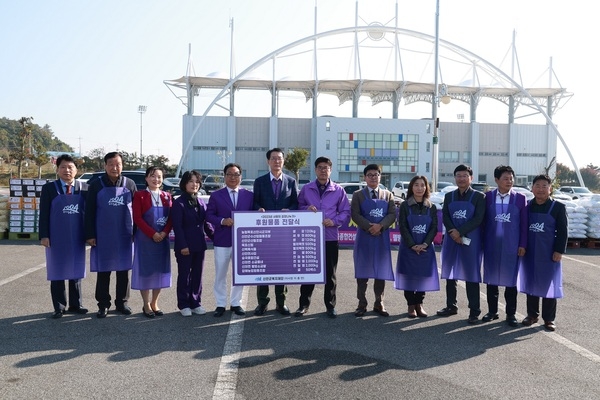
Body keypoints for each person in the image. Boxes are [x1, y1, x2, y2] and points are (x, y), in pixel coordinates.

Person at [295, 157, 351, 318]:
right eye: (319, 167)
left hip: (330, 237)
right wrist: (306, 208)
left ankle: (330, 306)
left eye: (326, 167)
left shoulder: (338, 190)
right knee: (308, 272)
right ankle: (303, 305)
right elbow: (298, 207)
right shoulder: (306, 189)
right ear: (315, 170)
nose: (322, 170)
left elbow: (346, 212)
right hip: (309, 237)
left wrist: (333, 221)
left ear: (330, 170)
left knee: (330, 274)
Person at [85, 152, 136, 318]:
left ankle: (122, 302)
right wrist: (90, 234)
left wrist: (136, 233)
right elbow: (89, 211)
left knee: (123, 270)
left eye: (118, 164)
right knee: (104, 270)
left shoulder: (130, 184)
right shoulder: (96, 185)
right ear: (105, 166)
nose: (115, 168)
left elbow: (137, 211)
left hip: (125, 234)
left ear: (122, 165)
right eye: (111, 164)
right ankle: (103, 304)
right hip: (103, 235)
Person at [39, 154, 88, 318]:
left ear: (76, 170)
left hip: (77, 235)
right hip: (56, 236)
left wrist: (90, 234)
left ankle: (76, 304)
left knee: (76, 269)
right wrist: (44, 235)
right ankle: (59, 306)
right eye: (63, 167)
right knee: (57, 270)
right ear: (57, 169)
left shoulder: (84, 187)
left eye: (70, 167)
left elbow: (89, 214)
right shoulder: (49, 188)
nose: (67, 170)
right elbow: (44, 214)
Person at [252, 147, 298, 316]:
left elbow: (295, 203)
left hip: (283, 234)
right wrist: (259, 209)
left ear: (283, 161)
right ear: (268, 161)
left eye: (279, 158)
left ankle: (281, 302)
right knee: (264, 268)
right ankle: (262, 302)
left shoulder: (291, 181)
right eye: (273, 158)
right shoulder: (260, 181)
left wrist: (289, 210)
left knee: (281, 267)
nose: (277, 161)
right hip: (264, 233)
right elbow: (254, 203)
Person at [518, 174, 568, 331]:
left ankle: (549, 319)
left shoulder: (558, 207)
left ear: (550, 189)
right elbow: (521, 228)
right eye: (537, 186)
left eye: (544, 186)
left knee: (548, 285)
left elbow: (563, 231)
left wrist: (559, 250)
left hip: (549, 253)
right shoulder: (527, 207)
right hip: (530, 252)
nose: (540, 189)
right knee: (531, 281)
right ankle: (532, 315)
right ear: (532, 188)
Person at [437, 164, 485, 324]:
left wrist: (460, 232)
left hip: (471, 241)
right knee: (450, 273)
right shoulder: (449, 196)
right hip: (452, 240)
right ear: (455, 177)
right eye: (458, 175)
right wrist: (453, 232)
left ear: (471, 178)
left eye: (465, 175)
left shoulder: (479, 197)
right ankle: (451, 306)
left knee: (472, 275)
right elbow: (445, 216)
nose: (462, 178)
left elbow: (478, 219)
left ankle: (474, 311)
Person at [482, 165, 527, 327]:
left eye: (511, 178)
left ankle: (510, 314)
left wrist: (522, 244)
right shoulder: (487, 197)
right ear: (496, 180)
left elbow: (523, 224)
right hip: (491, 244)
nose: (509, 181)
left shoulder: (520, 199)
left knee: (511, 281)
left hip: (511, 245)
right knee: (491, 280)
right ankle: (492, 311)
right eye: (505, 178)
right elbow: (483, 222)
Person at [206, 163, 253, 317]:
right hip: (222, 240)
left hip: (243, 242)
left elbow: (254, 215)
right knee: (220, 273)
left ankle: (235, 303)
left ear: (241, 176)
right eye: (230, 174)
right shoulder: (216, 195)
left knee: (240, 274)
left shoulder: (249, 195)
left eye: (236, 174)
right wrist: (222, 221)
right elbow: (209, 216)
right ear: (224, 176)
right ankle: (220, 303)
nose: (233, 177)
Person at [351, 164, 396, 317]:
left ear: (380, 176)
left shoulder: (387, 194)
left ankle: (379, 303)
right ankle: (361, 303)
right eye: (369, 175)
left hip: (381, 238)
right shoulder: (358, 195)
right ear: (365, 177)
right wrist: (369, 227)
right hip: (364, 236)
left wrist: (380, 226)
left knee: (380, 272)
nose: (373, 177)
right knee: (362, 271)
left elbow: (392, 214)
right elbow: (355, 214)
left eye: (376, 174)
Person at [394, 175, 439, 318]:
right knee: (409, 276)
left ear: (426, 188)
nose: (419, 188)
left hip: (426, 248)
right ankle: (411, 305)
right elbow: (403, 226)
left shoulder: (431, 207)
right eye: (416, 185)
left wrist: (425, 243)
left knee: (422, 276)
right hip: (408, 247)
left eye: (422, 185)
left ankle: (419, 304)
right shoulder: (405, 205)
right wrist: (412, 244)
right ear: (411, 188)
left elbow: (433, 227)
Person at [131, 166, 173, 318]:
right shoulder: (140, 195)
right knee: (146, 272)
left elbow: (170, 219)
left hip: (162, 239)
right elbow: (137, 218)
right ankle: (146, 304)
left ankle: (155, 302)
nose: (156, 179)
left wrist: (163, 233)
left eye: (159, 176)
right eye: (152, 176)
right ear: (146, 178)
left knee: (159, 272)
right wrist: (152, 233)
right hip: (145, 239)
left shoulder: (167, 196)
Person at [171, 170, 214, 317]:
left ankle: (195, 302)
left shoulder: (201, 201)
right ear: (184, 184)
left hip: (199, 245)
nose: (194, 184)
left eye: (197, 182)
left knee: (197, 275)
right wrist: (183, 245)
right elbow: (177, 226)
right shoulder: (179, 203)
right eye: (191, 181)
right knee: (184, 276)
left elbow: (206, 224)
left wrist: (216, 238)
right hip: (185, 246)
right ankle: (183, 304)